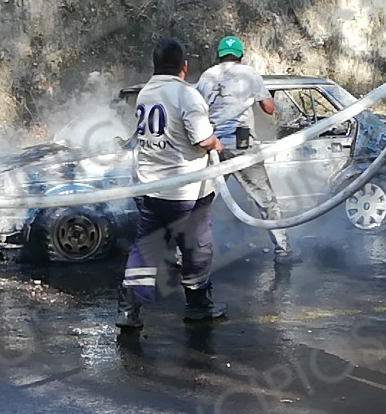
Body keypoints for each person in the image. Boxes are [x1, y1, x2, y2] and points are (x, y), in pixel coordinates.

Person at [116, 37, 225, 330]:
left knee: (145, 248)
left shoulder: (145, 93)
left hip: (150, 189)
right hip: (186, 191)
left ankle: (129, 311)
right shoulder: (187, 95)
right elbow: (202, 139)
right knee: (196, 247)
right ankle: (198, 306)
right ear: (184, 67)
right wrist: (217, 143)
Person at [195, 36, 298, 263]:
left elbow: (197, 112)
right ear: (241, 57)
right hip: (243, 147)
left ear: (219, 56)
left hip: (213, 148)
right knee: (266, 200)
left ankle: (185, 254)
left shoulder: (206, 77)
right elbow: (269, 108)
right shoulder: (249, 74)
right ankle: (283, 250)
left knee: (200, 202)